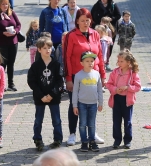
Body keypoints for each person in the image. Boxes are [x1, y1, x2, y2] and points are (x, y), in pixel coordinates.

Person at [63, 8, 106, 146]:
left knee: (91, 105)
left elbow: (99, 56)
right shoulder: (71, 36)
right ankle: (72, 134)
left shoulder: (95, 34)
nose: (85, 23)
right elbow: (67, 58)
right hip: (76, 76)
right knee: (74, 104)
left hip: (94, 76)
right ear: (77, 21)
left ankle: (92, 134)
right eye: (82, 20)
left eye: (87, 20)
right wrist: (68, 78)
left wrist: (103, 75)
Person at [28, 37, 63, 151]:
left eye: (49, 48)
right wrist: (41, 96)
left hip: (54, 97)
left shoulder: (56, 64)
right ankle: (38, 139)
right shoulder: (35, 66)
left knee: (56, 120)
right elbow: (32, 82)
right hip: (40, 98)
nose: (48, 50)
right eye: (44, 48)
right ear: (39, 50)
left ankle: (57, 139)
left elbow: (59, 81)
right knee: (38, 120)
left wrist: (52, 95)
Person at [105, 50, 141, 149]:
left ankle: (127, 140)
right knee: (116, 121)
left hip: (127, 101)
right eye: (118, 61)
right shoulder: (115, 72)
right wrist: (115, 90)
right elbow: (108, 84)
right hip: (116, 99)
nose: (119, 63)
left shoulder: (133, 73)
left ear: (128, 62)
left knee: (128, 121)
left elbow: (138, 87)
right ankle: (117, 140)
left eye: (122, 61)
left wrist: (128, 88)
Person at [72, 51, 104, 153]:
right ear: (81, 63)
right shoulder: (78, 75)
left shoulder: (96, 74)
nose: (90, 63)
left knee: (91, 124)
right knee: (82, 124)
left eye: (92, 61)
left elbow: (99, 89)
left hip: (93, 104)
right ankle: (84, 142)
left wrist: (101, 103)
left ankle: (92, 141)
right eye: (87, 61)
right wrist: (75, 105)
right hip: (82, 104)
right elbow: (75, 91)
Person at [0, 0, 21, 91]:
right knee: (2, 64)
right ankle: (1, 84)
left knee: (11, 63)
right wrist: (2, 33)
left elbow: (19, 25)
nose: (5, 6)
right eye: (3, 4)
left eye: (6, 4)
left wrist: (15, 31)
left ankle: (11, 83)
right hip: (1, 43)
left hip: (13, 42)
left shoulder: (12, 13)